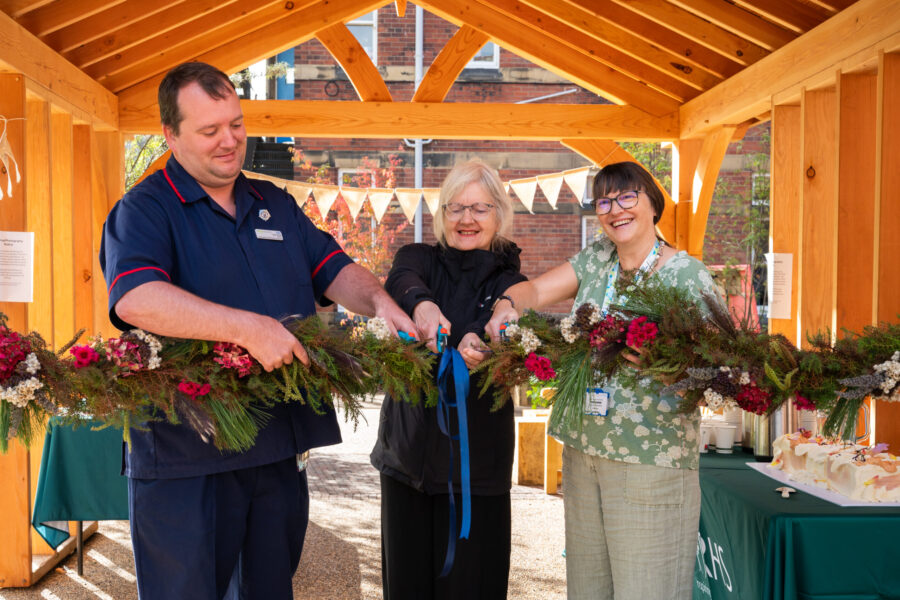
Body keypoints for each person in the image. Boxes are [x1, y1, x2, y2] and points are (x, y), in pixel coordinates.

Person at [100, 62, 417, 600]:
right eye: (209, 130)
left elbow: (333, 268)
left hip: (276, 448)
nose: (230, 141)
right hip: (185, 454)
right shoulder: (144, 210)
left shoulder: (275, 203)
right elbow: (136, 298)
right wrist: (250, 329)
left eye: (237, 124)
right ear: (170, 135)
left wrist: (382, 303)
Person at [486, 162, 719, 600]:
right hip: (583, 452)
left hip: (649, 461)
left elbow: (722, 372)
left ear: (653, 204)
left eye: (628, 196)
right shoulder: (597, 260)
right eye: (605, 201)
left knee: (647, 591)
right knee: (588, 591)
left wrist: (667, 360)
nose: (615, 209)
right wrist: (505, 305)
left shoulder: (687, 276)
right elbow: (533, 291)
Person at [370, 159, 527, 599]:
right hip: (409, 457)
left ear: (499, 213)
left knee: (471, 585)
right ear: (441, 215)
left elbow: (503, 320)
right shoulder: (417, 257)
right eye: (455, 208)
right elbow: (402, 281)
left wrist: (484, 338)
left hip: (478, 464)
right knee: (407, 584)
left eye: (479, 208)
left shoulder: (511, 280)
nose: (466, 219)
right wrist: (422, 306)